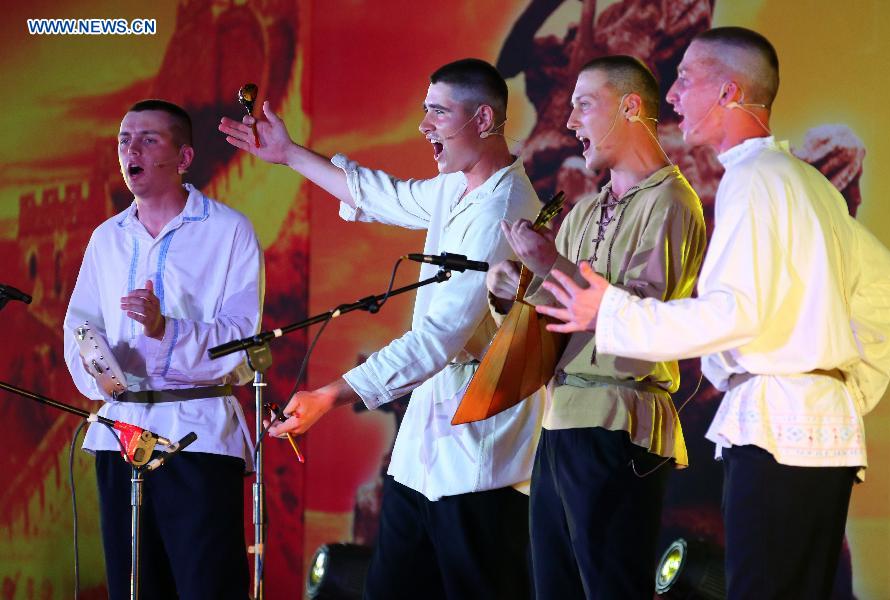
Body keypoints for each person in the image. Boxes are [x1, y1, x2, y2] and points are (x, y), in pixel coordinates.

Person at [535, 27, 890, 600]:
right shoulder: (806, 183)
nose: (673, 96)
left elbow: (734, 312)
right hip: (819, 428)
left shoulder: (753, 179)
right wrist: (846, 392)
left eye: (684, 79)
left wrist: (611, 311)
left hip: (777, 428)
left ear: (729, 92)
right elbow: (887, 291)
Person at [219, 58, 542, 599]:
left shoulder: (503, 212)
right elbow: (380, 195)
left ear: (484, 119)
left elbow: (437, 340)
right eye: (423, 111)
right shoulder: (457, 189)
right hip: (422, 457)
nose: (425, 126)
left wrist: (331, 394)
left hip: (476, 462)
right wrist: (289, 153)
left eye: (439, 112)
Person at [487, 55, 706, 599]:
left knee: (610, 586)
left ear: (630, 106)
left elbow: (641, 322)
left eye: (584, 104)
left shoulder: (673, 201)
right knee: (554, 587)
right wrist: (506, 293)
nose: (570, 122)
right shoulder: (584, 211)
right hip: (560, 423)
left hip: (618, 420)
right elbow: (553, 320)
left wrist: (548, 266)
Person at [63, 99, 263, 599]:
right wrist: (106, 378)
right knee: (134, 585)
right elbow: (80, 326)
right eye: (124, 140)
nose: (131, 149)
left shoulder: (228, 230)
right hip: (120, 434)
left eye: (149, 139)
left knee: (205, 585)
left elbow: (240, 338)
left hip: (195, 436)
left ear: (184, 156)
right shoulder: (107, 237)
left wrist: (163, 328)